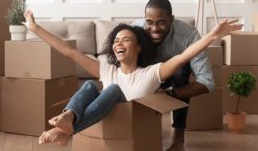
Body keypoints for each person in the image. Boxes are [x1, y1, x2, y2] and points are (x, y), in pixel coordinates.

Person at [23, 10, 242, 146]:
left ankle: (68, 131)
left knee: (112, 90)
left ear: (138, 47)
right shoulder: (107, 70)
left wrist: (212, 35)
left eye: (126, 40)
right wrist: (35, 28)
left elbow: (185, 55)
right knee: (90, 84)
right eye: (116, 40)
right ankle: (69, 118)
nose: (119, 43)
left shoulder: (151, 73)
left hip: (131, 124)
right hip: (106, 119)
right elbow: (68, 51)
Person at [131, 0, 215, 150]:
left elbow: (207, 81)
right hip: (144, 74)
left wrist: (170, 95)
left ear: (171, 19)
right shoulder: (134, 31)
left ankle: (178, 140)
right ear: (145, 20)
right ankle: (138, 133)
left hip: (174, 78)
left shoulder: (189, 35)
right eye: (149, 22)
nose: (155, 29)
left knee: (181, 70)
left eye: (161, 22)